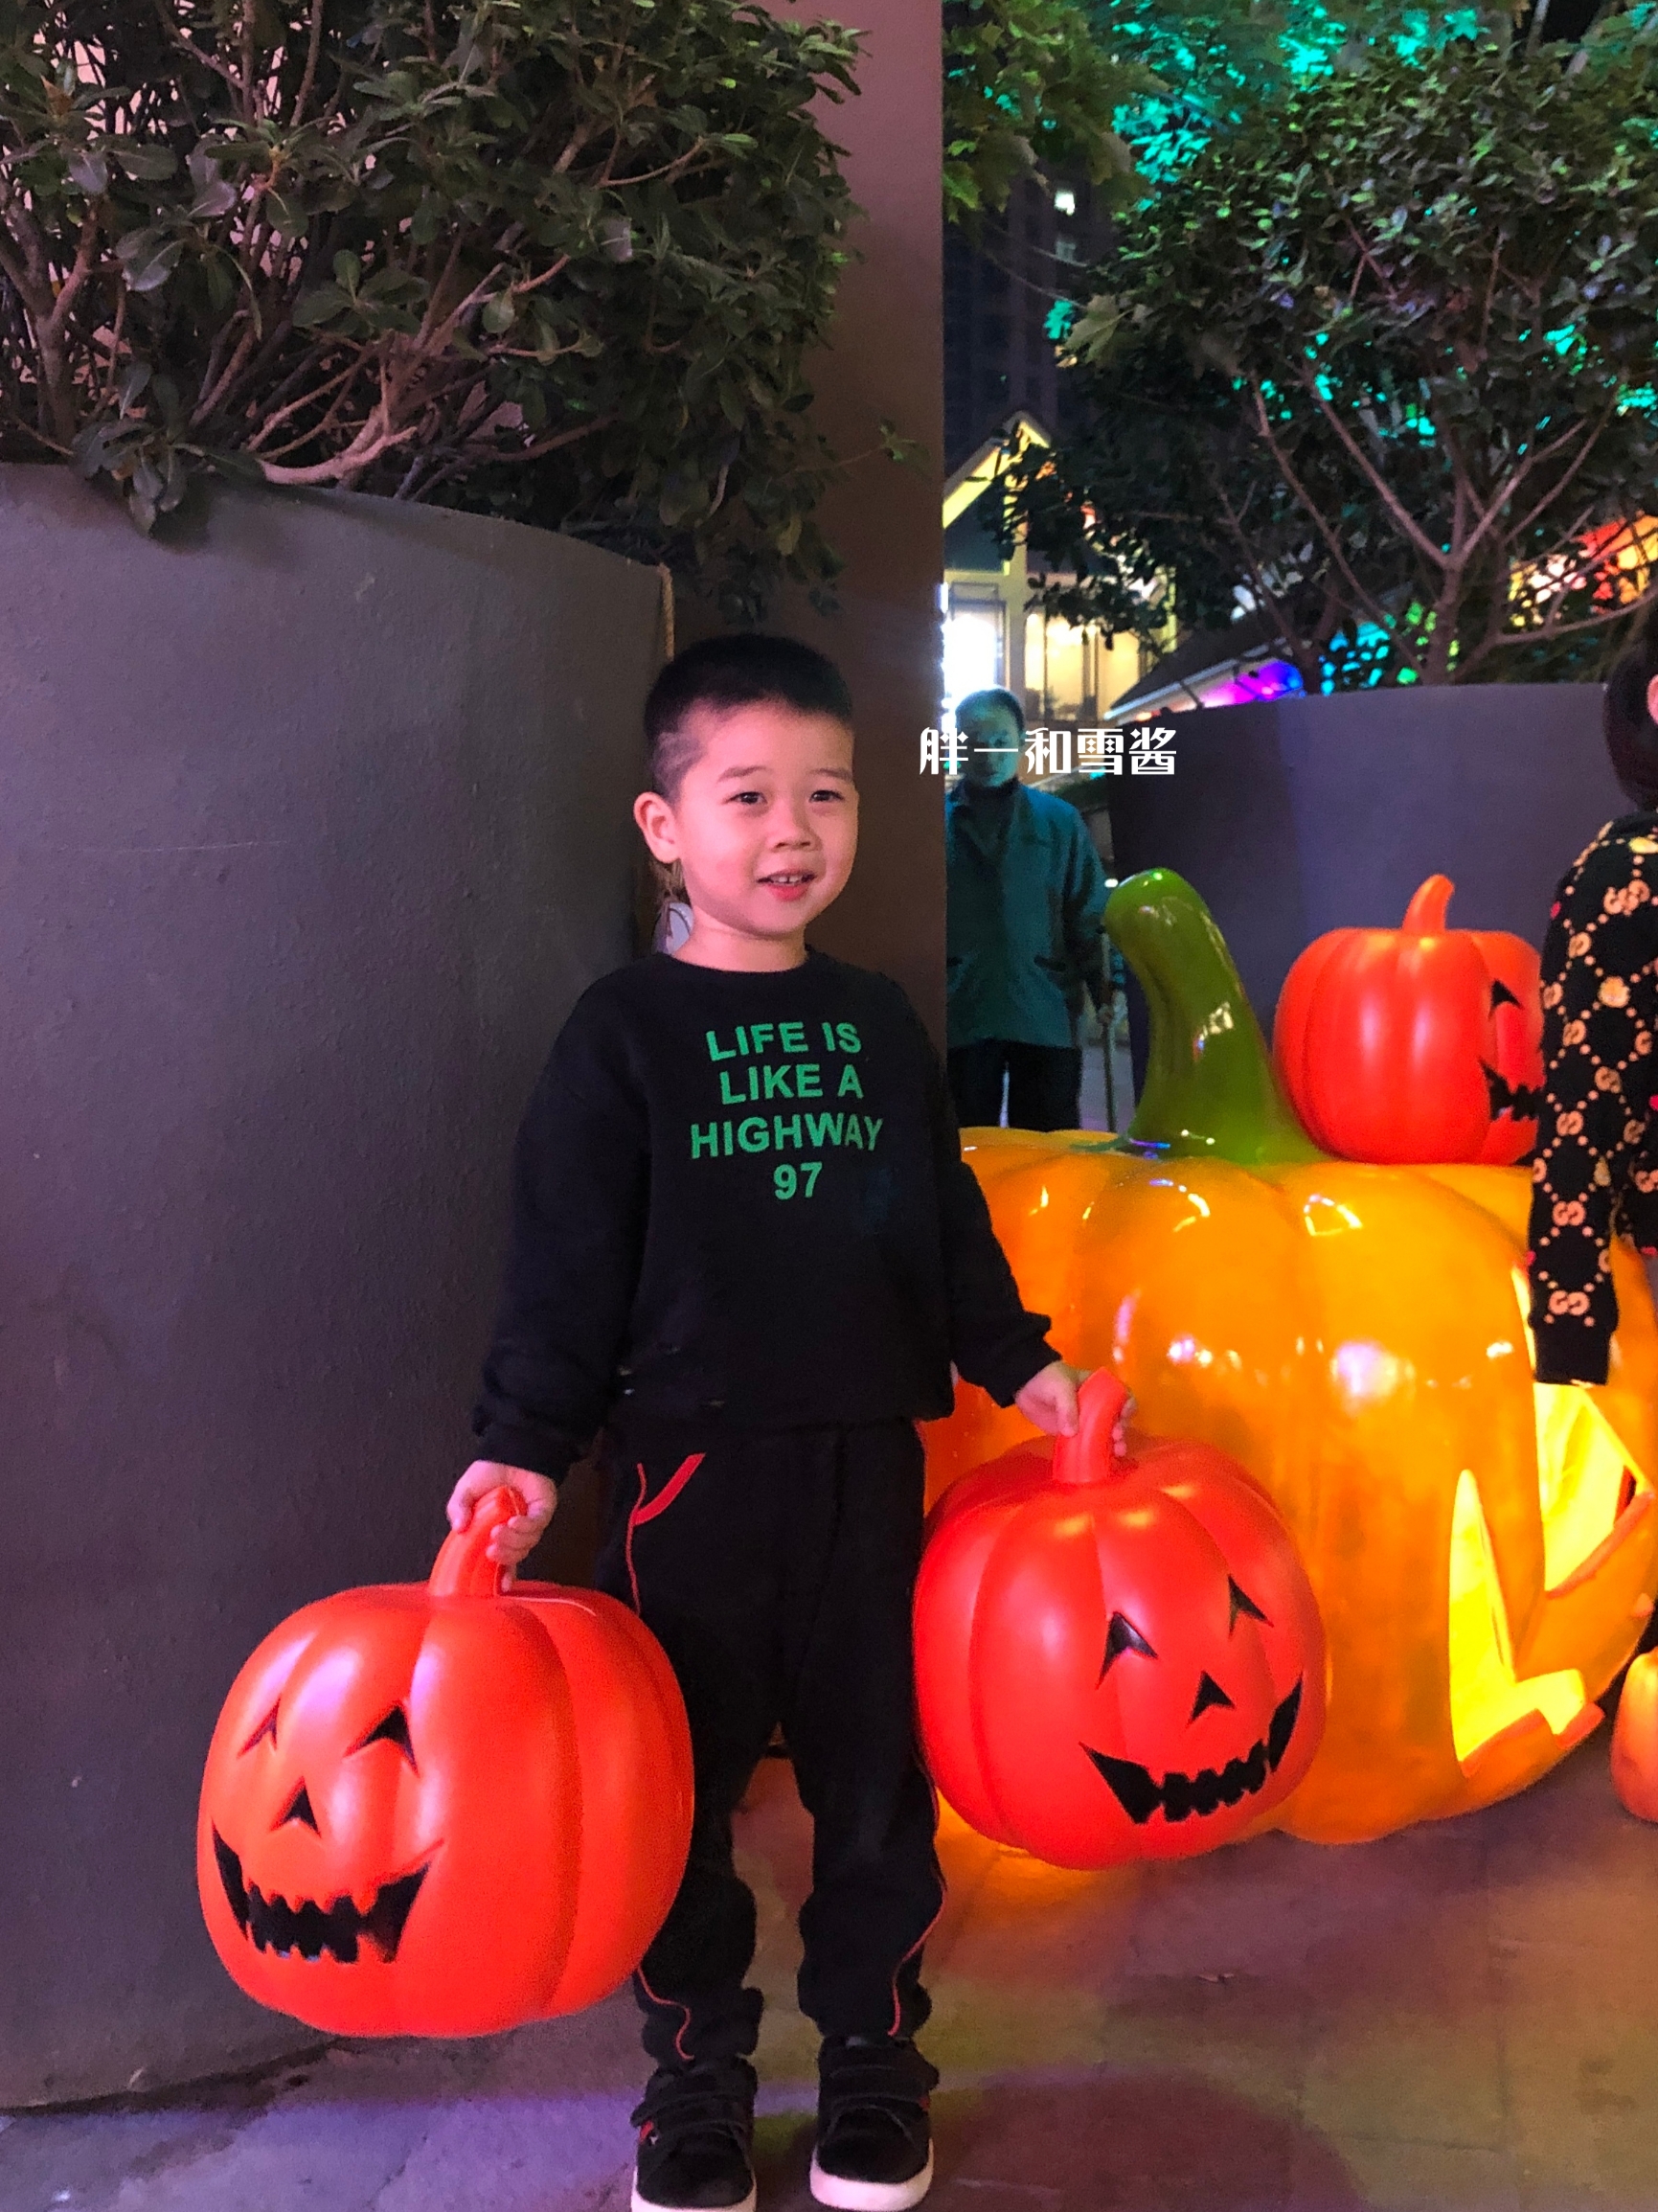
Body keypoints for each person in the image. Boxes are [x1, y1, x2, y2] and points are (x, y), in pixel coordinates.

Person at [448, 634, 1083, 2212]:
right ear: (664, 824)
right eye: (747, 796)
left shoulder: (877, 1021)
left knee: (877, 1791)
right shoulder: (620, 1036)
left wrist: (1020, 1360)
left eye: (827, 793)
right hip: (687, 1483)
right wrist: (522, 1444)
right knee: (677, 1798)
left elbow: (941, 1223)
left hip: (869, 1469)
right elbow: (563, 1264)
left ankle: (873, 2060)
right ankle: (696, 2077)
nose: (792, 830)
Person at [1527, 600, 1658, 1385]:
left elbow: (1585, 1098)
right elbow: (1586, 1097)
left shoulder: (1626, 873)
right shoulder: (1628, 875)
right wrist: (1570, 1323)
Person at [943, 688, 1109, 1132]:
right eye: (974, 741)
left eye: (1000, 740)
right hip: (961, 1010)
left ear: (1022, 741)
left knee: (1049, 1144)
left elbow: (1089, 911)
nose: (988, 754)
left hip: (1046, 1010)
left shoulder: (1059, 821)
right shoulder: (932, 826)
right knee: (966, 1144)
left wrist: (1106, 986)